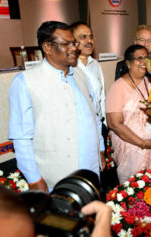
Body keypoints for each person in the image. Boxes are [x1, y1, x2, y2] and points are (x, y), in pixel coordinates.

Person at [9, 21, 105, 192]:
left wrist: (101, 150)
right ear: (46, 47)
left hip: (91, 172)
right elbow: (21, 137)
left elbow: (94, 116)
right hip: (57, 178)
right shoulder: (26, 81)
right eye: (65, 44)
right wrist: (34, 179)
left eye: (73, 42)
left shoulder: (81, 75)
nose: (73, 48)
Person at [106, 45, 151, 183]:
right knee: (133, 193)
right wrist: (142, 143)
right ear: (128, 63)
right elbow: (114, 123)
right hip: (130, 148)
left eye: (146, 58)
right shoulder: (117, 87)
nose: (144, 62)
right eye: (139, 58)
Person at [70, 21, 107, 166]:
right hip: (81, 133)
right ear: (72, 40)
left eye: (90, 37)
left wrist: (105, 125)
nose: (89, 41)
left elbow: (101, 97)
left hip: (100, 127)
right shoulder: (68, 67)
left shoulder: (95, 65)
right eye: (83, 37)